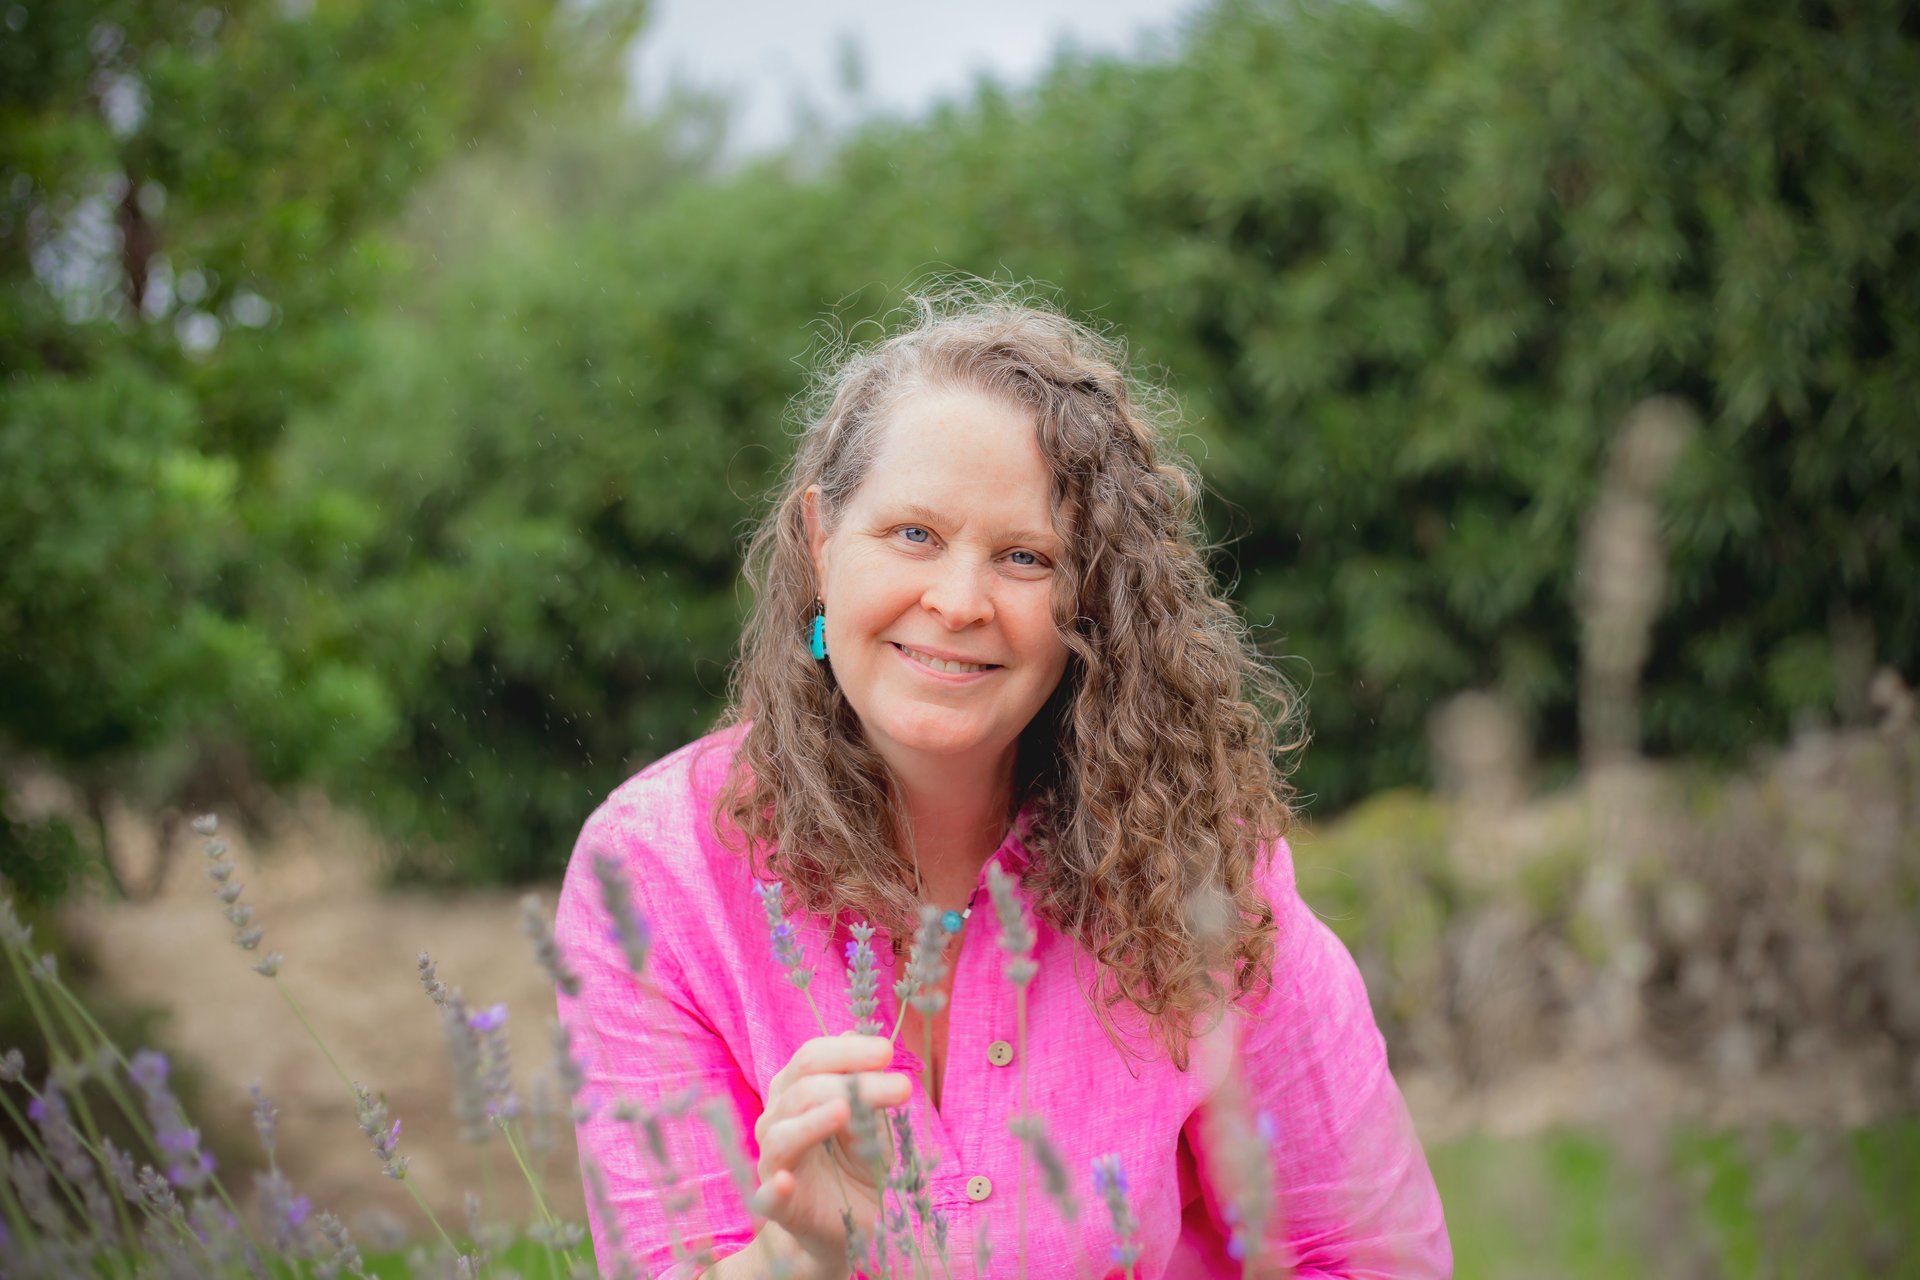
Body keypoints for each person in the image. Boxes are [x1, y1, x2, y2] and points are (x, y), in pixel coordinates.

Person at [554, 289, 1452, 1279]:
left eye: (1026, 556)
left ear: (1092, 600)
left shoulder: (1197, 854)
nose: (958, 601)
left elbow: (1362, 1251)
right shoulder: (653, 873)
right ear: (821, 539)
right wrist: (795, 1251)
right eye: (913, 535)